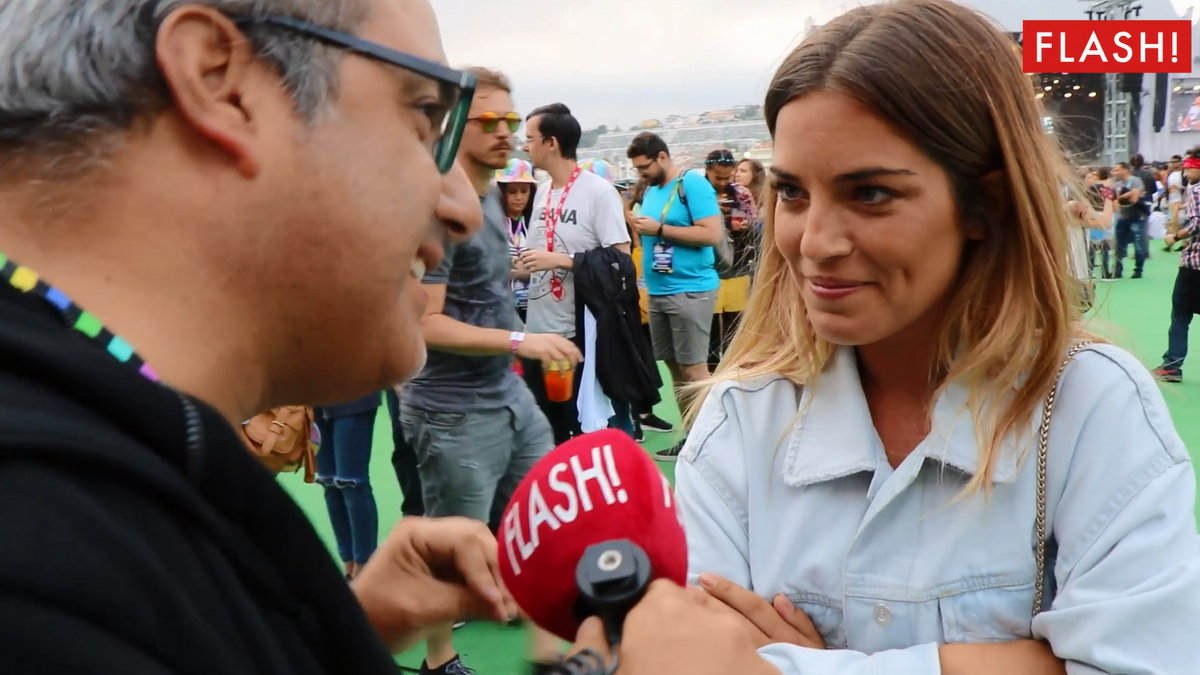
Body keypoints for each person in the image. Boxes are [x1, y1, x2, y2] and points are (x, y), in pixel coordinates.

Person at [675, 1, 1200, 674]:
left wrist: (799, 665)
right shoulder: (743, 417)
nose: (815, 242)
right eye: (795, 194)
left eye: (870, 194)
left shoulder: (1091, 407)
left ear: (986, 204)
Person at [0, 0, 521, 672]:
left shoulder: (96, 485)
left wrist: (327, 631)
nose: (460, 208)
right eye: (424, 116)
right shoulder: (46, 561)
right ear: (220, 81)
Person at [398, 68, 576, 675]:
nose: (505, 132)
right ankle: (438, 661)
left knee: (545, 519)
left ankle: (548, 653)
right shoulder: (438, 210)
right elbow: (425, 323)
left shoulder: (493, 200)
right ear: (455, 125)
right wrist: (523, 339)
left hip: (507, 396)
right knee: (453, 543)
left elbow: (484, 293)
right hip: (451, 408)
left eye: (511, 121)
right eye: (490, 121)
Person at [520, 103, 630, 445]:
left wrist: (560, 261)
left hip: (576, 334)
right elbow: (537, 254)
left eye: (530, 139)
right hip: (536, 331)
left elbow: (621, 259)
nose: (524, 146)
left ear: (551, 143)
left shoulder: (598, 192)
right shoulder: (541, 192)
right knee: (544, 433)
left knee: (581, 434)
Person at [626, 132, 725, 461]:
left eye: (644, 167)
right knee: (674, 367)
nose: (641, 174)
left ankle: (714, 442)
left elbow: (711, 233)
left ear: (662, 157)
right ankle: (692, 437)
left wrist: (659, 230)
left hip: (690, 289)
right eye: (637, 169)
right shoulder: (652, 189)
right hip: (659, 291)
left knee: (695, 369)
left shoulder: (691, 184)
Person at [315, 393, 383, 580]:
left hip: (354, 395)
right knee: (328, 483)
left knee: (352, 483)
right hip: (311, 399)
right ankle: (348, 567)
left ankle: (364, 569)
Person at [703, 149, 759, 371]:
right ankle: (710, 372)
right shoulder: (698, 194)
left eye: (728, 177)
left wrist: (742, 227)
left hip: (737, 267)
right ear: (707, 171)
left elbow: (753, 223)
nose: (723, 182)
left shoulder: (742, 194)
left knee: (734, 327)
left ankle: (733, 370)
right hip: (707, 268)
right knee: (709, 330)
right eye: (718, 177)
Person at [1153, 154, 1200, 383]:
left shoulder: (1196, 190)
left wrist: (1175, 237)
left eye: (1190, 169)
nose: (1186, 173)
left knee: (1181, 313)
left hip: (1194, 265)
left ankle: (1172, 365)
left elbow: (1197, 224)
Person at [496, 157, 539, 323]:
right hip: (502, 307)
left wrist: (529, 272)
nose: (519, 197)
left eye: (524, 191)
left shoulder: (537, 223)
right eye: (512, 191)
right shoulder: (492, 224)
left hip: (534, 306)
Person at [1111, 161, 1149, 278]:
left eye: (1117, 169)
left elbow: (1134, 198)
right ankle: (1118, 270)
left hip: (1137, 217)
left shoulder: (1135, 181)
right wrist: (1127, 195)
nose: (1114, 172)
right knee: (1119, 245)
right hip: (1123, 216)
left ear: (1125, 170)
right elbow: (1115, 202)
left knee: (1138, 245)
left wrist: (1122, 197)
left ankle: (1138, 270)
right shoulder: (1116, 185)